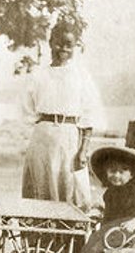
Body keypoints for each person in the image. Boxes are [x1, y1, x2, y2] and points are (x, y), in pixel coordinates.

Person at [21, 20, 102, 211]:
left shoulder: (81, 76)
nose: (63, 49)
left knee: (72, 188)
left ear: (75, 47)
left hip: (69, 138)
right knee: (41, 189)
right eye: (59, 43)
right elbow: (26, 112)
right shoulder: (37, 75)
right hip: (42, 140)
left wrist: (83, 150)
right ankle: (40, 237)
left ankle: (69, 239)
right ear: (50, 42)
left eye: (69, 45)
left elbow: (89, 114)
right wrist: (33, 142)